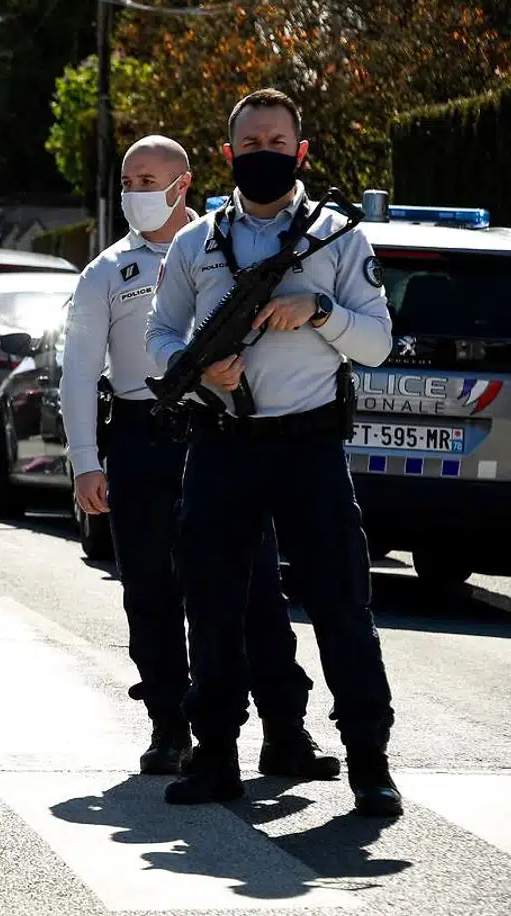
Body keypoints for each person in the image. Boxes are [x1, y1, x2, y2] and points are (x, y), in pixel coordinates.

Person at [147, 90, 400, 816]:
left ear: (301, 151)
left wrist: (319, 311)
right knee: (213, 604)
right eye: (251, 144)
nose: (265, 153)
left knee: (342, 603)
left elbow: (378, 344)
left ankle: (369, 761)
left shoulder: (337, 239)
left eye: (278, 142)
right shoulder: (196, 243)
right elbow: (160, 340)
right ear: (229, 155)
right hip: (222, 446)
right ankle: (215, 756)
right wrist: (202, 371)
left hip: (308, 446)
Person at [63, 135, 335, 781]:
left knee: (255, 588)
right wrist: (85, 461)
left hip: (224, 432)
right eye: (127, 182)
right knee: (151, 589)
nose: (134, 193)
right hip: (142, 436)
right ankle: (169, 728)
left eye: (147, 180)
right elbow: (78, 371)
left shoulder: (224, 249)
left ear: (182, 183)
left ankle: (284, 730)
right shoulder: (105, 272)